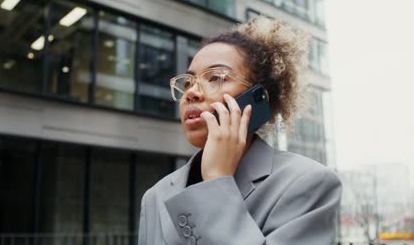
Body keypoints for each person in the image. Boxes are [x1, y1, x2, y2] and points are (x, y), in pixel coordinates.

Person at [137, 16, 342, 245]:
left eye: (215, 77)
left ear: (257, 98)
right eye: (187, 83)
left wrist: (217, 181)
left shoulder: (309, 183)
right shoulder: (155, 196)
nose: (191, 93)